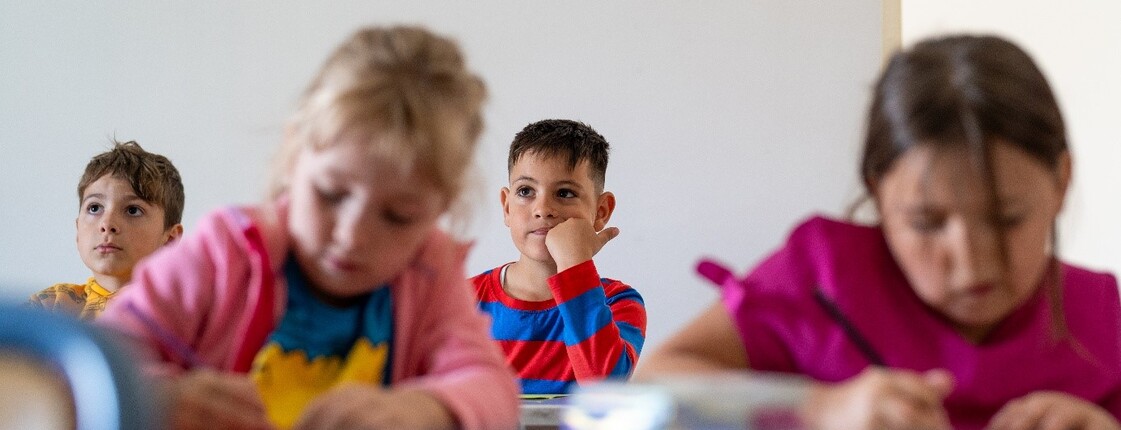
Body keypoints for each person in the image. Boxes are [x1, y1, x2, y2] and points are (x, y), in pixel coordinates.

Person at [636, 35, 1121, 430]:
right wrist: (819, 410)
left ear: (1061, 182)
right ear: (877, 192)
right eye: (926, 223)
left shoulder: (1102, 316)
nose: (971, 264)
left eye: (1007, 218)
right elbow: (652, 387)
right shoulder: (819, 277)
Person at [96, 26, 518, 430]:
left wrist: (424, 409)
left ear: (440, 208)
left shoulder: (428, 273)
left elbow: (494, 387)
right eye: (330, 194)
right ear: (295, 154)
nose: (352, 236)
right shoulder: (223, 253)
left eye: (398, 216)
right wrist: (161, 398)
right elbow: (93, 365)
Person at [471, 119, 646, 394]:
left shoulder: (620, 303)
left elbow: (603, 391)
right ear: (506, 207)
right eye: (526, 191)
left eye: (564, 193)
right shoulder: (464, 301)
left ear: (601, 211)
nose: (543, 209)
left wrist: (574, 264)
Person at [28, 140, 184, 320]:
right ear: (78, 229)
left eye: (133, 210)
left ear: (170, 240)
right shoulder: (51, 306)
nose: (107, 223)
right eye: (94, 208)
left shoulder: (182, 312)